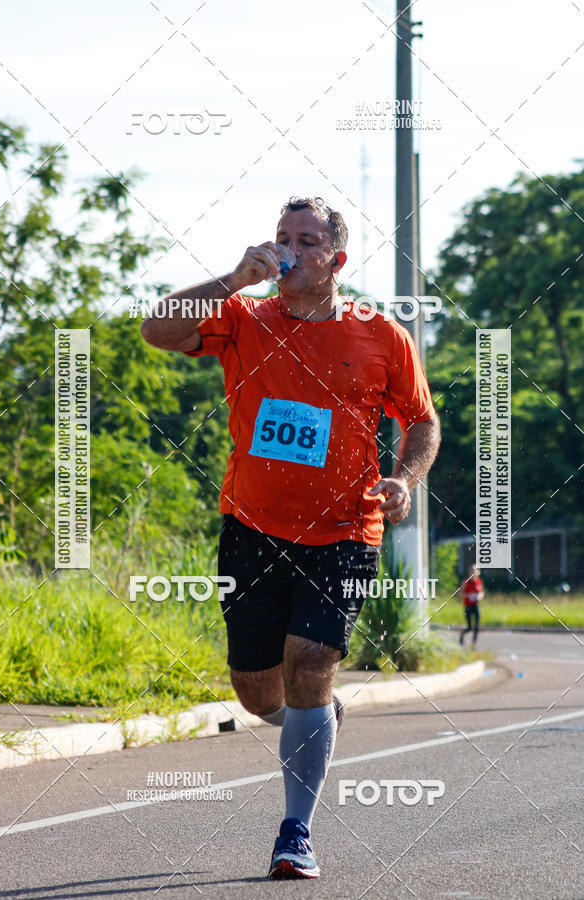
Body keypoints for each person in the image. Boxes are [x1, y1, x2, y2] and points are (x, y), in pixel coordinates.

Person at [141, 196, 441, 880]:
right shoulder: (245, 316)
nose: (288, 249)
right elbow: (157, 330)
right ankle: (316, 718)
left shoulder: (379, 334)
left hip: (344, 532)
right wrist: (231, 279)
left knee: (309, 661)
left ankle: (295, 832)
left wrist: (404, 480)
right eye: (282, 237)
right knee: (255, 689)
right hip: (251, 527)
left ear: (336, 260)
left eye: (306, 240)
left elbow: (422, 422)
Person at [459, 564, 484, 647]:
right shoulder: (465, 581)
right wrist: (469, 595)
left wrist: (480, 596)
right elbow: (461, 593)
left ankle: (473, 644)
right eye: (472, 570)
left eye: (476, 571)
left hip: (476, 605)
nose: (474, 572)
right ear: (469, 572)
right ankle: (462, 635)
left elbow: (481, 592)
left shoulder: (479, 581)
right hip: (468, 605)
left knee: (477, 626)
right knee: (470, 627)